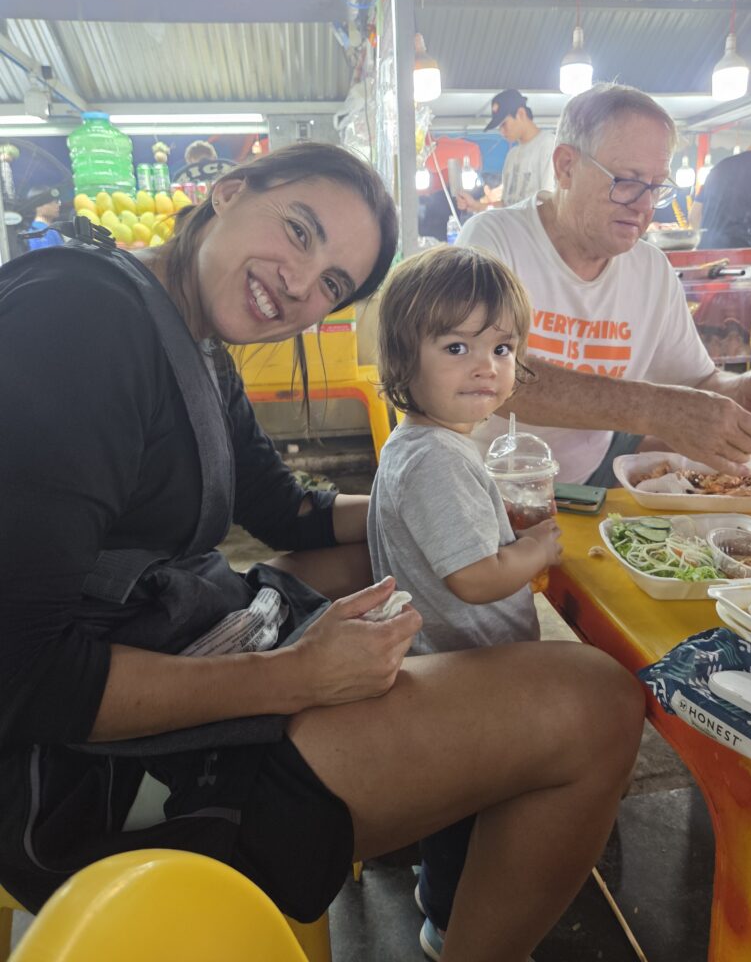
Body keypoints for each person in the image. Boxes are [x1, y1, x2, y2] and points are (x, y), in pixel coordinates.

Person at [0, 141, 645, 962]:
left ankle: (439, 801)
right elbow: (19, 672)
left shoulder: (184, 333)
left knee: (373, 556)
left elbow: (287, 512)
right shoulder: (80, 322)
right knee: (598, 702)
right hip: (77, 776)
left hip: (170, 634)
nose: (304, 285)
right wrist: (292, 678)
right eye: (301, 231)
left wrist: (440, 505)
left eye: (335, 282)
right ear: (229, 191)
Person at [369, 244, 564, 959]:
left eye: (503, 347)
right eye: (457, 345)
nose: (487, 365)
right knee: (472, 801)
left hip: (445, 659)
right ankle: (452, 921)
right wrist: (535, 551)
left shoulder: (426, 442)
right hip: (464, 668)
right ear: (402, 360)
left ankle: (434, 887)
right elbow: (474, 578)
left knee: (452, 800)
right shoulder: (437, 460)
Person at [458, 83, 751, 486]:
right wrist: (658, 409)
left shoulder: (651, 270)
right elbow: (486, 373)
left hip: (589, 481)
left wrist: (748, 388)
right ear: (566, 166)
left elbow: (698, 383)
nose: (644, 205)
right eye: (627, 180)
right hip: (483, 488)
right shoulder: (494, 241)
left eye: (656, 186)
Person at [456, 90, 555, 214]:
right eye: (500, 127)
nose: (502, 132)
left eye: (504, 124)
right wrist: (476, 206)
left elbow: (549, 203)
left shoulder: (548, 145)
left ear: (521, 114)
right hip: (513, 231)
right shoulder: (512, 155)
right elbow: (506, 205)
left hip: (535, 231)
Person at [690, 122, 751, 249]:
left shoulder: (720, 166)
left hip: (704, 253)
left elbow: (694, 215)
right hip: (739, 254)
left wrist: (708, 244)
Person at [21, 186, 65, 250]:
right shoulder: (39, 233)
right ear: (38, 207)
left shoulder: (48, 229)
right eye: (52, 203)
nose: (57, 205)